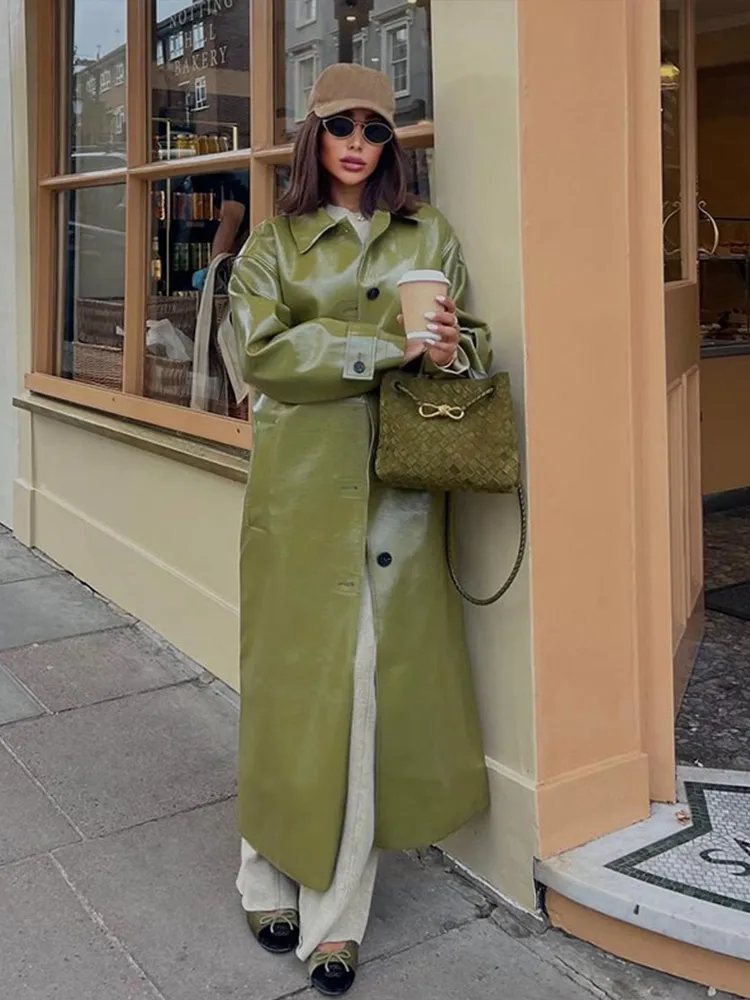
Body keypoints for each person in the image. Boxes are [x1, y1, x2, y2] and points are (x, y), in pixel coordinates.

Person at [229, 63, 491, 997]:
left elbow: (477, 343)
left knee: (364, 699)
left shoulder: (430, 235)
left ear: (392, 145)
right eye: (339, 124)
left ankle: (336, 917)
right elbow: (257, 351)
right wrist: (385, 346)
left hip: (400, 505)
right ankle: (263, 872)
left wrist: (457, 346)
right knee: (291, 694)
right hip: (299, 499)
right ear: (312, 135)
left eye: (375, 129)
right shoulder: (275, 242)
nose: (357, 142)